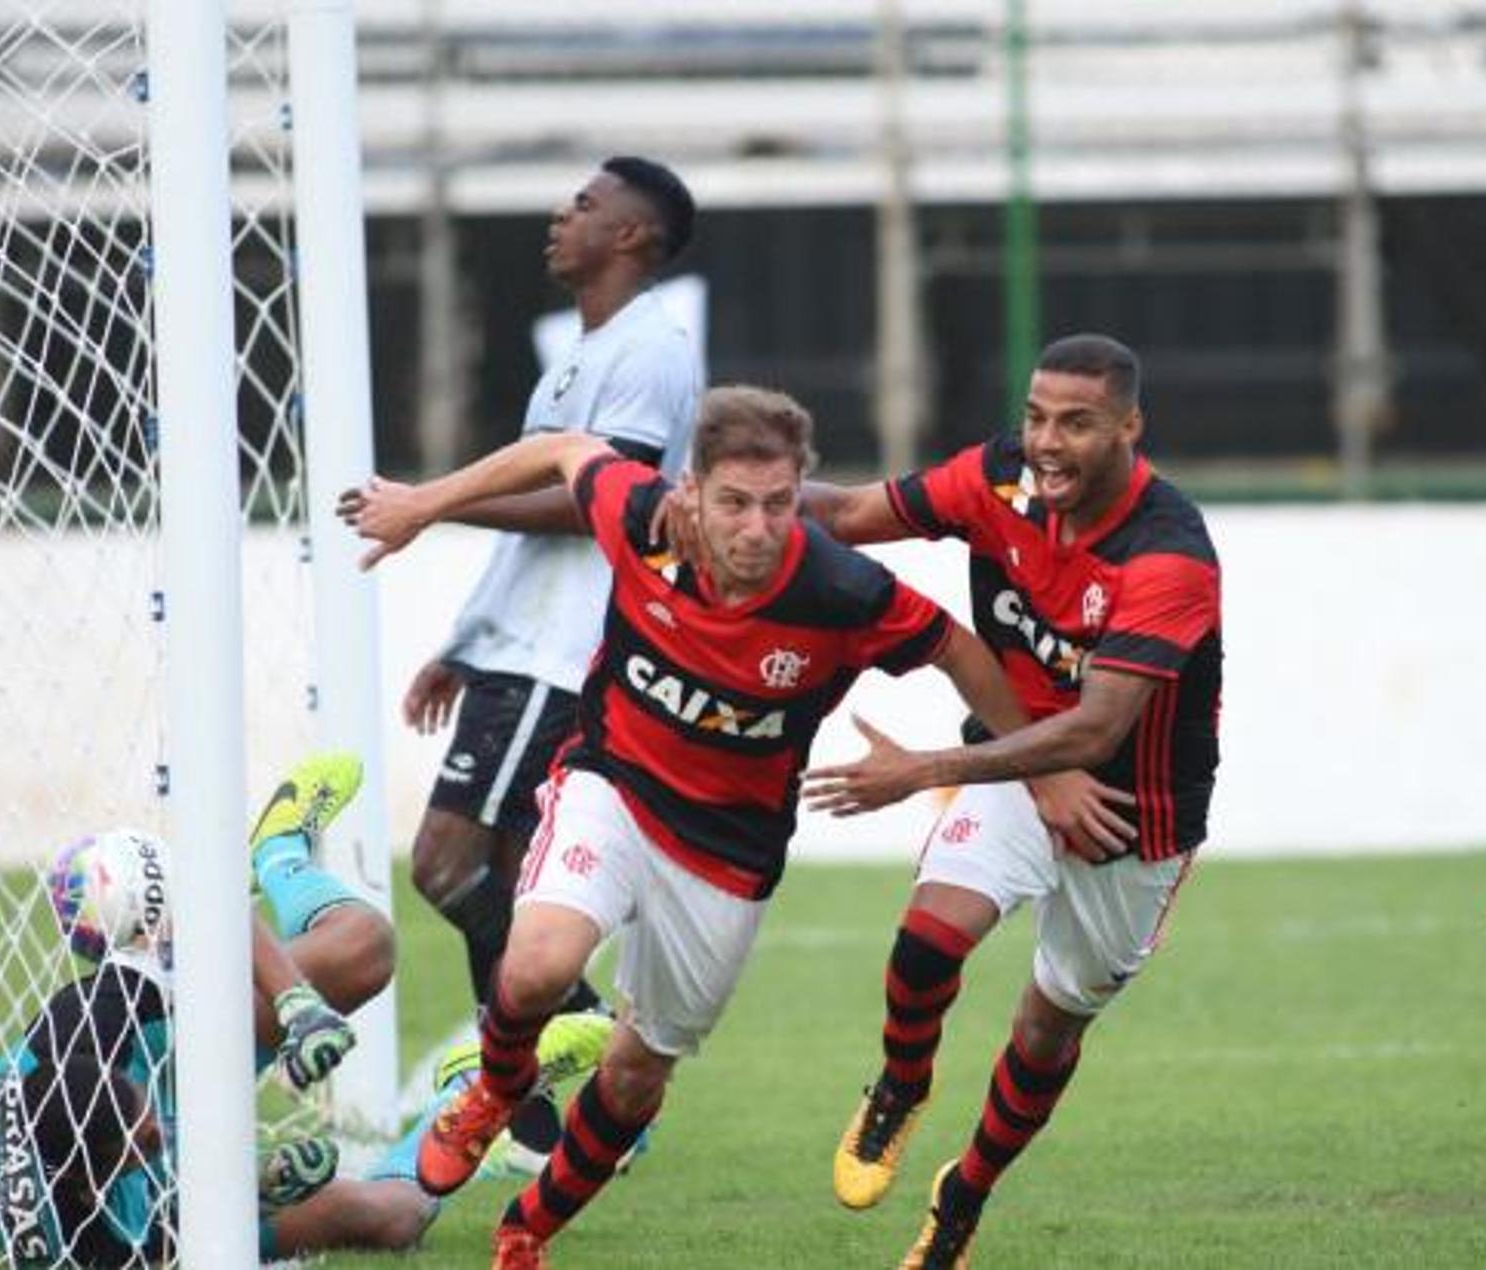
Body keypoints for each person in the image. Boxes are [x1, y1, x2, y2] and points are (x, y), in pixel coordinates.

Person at [340, 384, 1125, 1270]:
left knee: (637, 1074)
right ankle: (494, 1089)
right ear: (690, 490)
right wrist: (422, 505)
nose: (757, 528)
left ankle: (529, 1227)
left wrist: (1048, 765)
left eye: (779, 505)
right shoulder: (642, 518)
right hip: (614, 787)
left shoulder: (839, 588)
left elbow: (956, 649)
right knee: (535, 965)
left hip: (727, 857)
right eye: (735, 503)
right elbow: (566, 447)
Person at [780, 333, 1221, 1270]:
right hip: (1019, 765)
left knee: (1046, 1024)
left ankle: (963, 1196)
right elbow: (852, 512)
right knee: (931, 935)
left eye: (1077, 423)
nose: (1046, 442)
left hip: (1133, 818)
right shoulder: (998, 478)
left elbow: (1097, 732)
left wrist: (923, 768)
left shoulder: (1170, 556)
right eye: (1035, 416)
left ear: (1130, 430)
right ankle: (902, 1085)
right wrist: (745, 512)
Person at [0, 752, 612, 1265]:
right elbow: (178, 1218)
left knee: (367, 950)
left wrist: (298, 1006)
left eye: (151, 1121)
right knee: (397, 1220)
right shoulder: (109, 1244)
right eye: (147, 1142)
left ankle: (277, 849)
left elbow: (206, 904)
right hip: (140, 1204)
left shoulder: (97, 1017)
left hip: (167, 1044)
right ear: (98, 1182)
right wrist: (262, 1177)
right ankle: (473, 1086)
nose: (161, 1133)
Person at [405, 154, 700, 1031]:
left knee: (446, 868)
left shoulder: (649, 351)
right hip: (517, 649)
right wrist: (468, 641)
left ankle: (602, 1048)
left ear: (629, 234)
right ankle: (522, 1103)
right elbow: (550, 522)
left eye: (582, 204)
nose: (558, 217)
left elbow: (603, 503)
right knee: (500, 883)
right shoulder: (584, 354)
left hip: (560, 659)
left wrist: (435, 502)